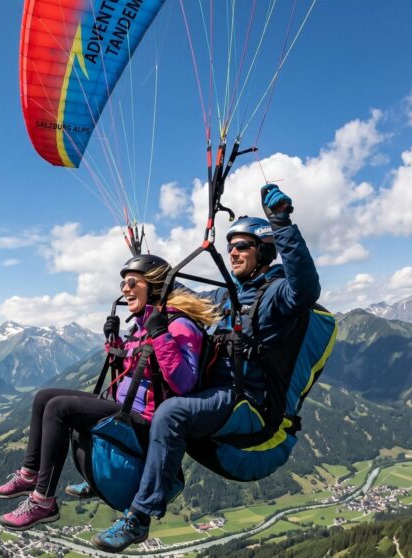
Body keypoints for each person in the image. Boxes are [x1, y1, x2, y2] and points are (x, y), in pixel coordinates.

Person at [90, 183, 321, 552]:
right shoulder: (225, 296)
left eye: (242, 245)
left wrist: (283, 225)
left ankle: (139, 518)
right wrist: (143, 266)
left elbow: (306, 290)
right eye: (230, 246)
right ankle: (117, 475)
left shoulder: (277, 296)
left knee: (171, 413)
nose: (232, 251)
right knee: (149, 394)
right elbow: (179, 291)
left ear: (263, 251)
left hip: (248, 403)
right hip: (219, 394)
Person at [0, 255, 220, 531]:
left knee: (59, 408)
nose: (124, 288)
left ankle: (42, 501)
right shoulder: (146, 323)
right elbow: (137, 369)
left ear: (154, 287)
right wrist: (117, 344)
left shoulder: (179, 325)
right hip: (125, 409)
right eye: (123, 282)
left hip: (146, 422)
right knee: (43, 397)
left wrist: (160, 334)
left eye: (132, 282)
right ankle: (29, 473)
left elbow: (184, 383)